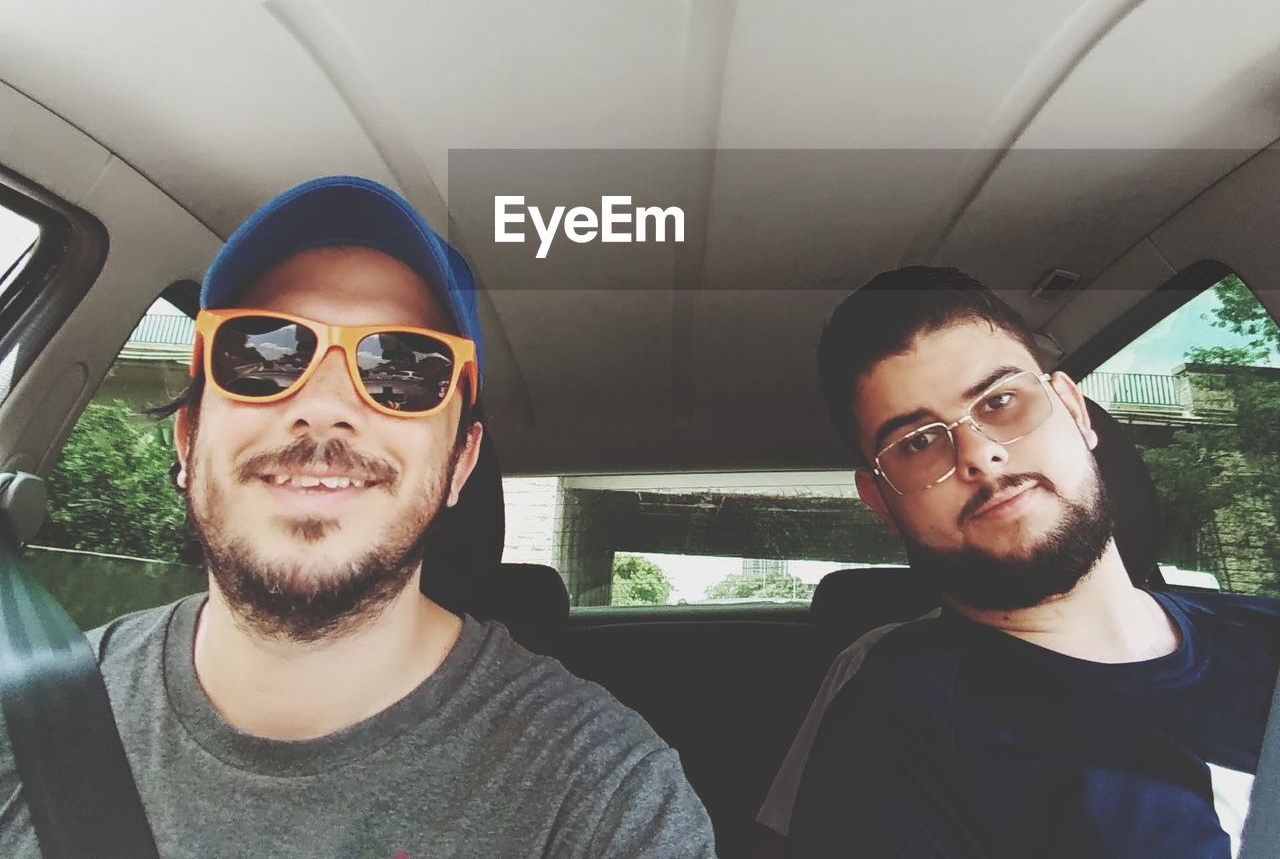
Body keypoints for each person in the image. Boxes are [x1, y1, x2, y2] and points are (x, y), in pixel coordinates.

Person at [0, 175, 717, 858]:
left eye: (403, 368)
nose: (326, 406)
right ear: (188, 440)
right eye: (263, 353)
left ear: (460, 466)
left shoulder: (604, 797)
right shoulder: (24, 726)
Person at [779, 266, 1280, 859]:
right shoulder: (894, 731)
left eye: (1000, 401)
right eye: (916, 442)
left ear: (1074, 409)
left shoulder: (1263, 629)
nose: (981, 455)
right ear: (882, 503)